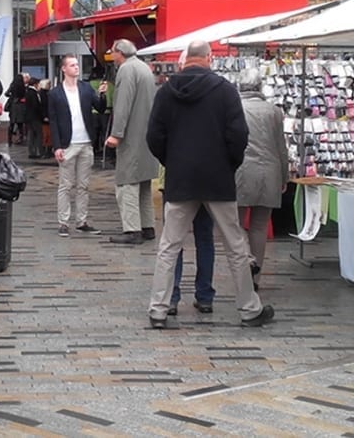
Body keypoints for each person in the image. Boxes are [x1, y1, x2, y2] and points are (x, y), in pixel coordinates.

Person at [146, 40, 274, 329]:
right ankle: (249, 308)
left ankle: (158, 309)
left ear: (186, 58)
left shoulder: (166, 91)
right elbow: (239, 135)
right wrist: (229, 164)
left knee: (169, 245)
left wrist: (173, 161)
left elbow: (154, 136)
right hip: (218, 179)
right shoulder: (226, 91)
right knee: (235, 245)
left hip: (181, 179)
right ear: (208, 57)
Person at [234, 67, 290, 291]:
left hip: (240, 170)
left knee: (234, 223)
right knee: (259, 225)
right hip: (270, 171)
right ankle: (255, 277)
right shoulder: (274, 111)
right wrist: (285, 176)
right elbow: (281, 147)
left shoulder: (234, 109)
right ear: (259, 86)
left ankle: (246, 260)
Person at [104, 39, 159, 245]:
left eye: (112, 52)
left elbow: (123, 104)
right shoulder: (144, 68)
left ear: (120, 52)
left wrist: (116, 134)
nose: (112, 56)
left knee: (126, 183)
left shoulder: (126, 70)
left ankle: (132, 230)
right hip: (146, 136)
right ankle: (148, 226)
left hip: (131, 138)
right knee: (144, 184)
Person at [47, 54, 107, 237]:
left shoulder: (86, 88)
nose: (76, 67)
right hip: (67, 144)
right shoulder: (55, 93)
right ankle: (63, 222)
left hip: (85, 142)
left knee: (84, 185)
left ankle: (82, 220)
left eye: (77, 65)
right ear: (63, 69)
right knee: (65, 185)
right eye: (72, 65)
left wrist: (102, 94)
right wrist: (57, 146)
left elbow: (101, 108)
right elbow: (54, 121)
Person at [159, 165, 217, 315]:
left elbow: (156, 142)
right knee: (205, 240)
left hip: (176, 177)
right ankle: (205, 296)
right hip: (208, 179)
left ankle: (171, 296)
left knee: (173, 242)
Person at [24, 77, 45, 158]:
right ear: (35, 84)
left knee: (31, 135)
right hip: (35, 117)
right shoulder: (33, 93)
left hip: (29, 117)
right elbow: (36, 106)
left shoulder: (28, 92)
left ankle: (32, 152)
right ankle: (39, 152)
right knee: (38, 135)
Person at [5, 73, 27, 145]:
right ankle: (21, 138)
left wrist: (12, 96)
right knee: (20, 124)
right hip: (20, 106)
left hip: (13, 106)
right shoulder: (23, 87)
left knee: (12, 123)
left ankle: (9, 139)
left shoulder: (13, 85)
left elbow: (6, 93)